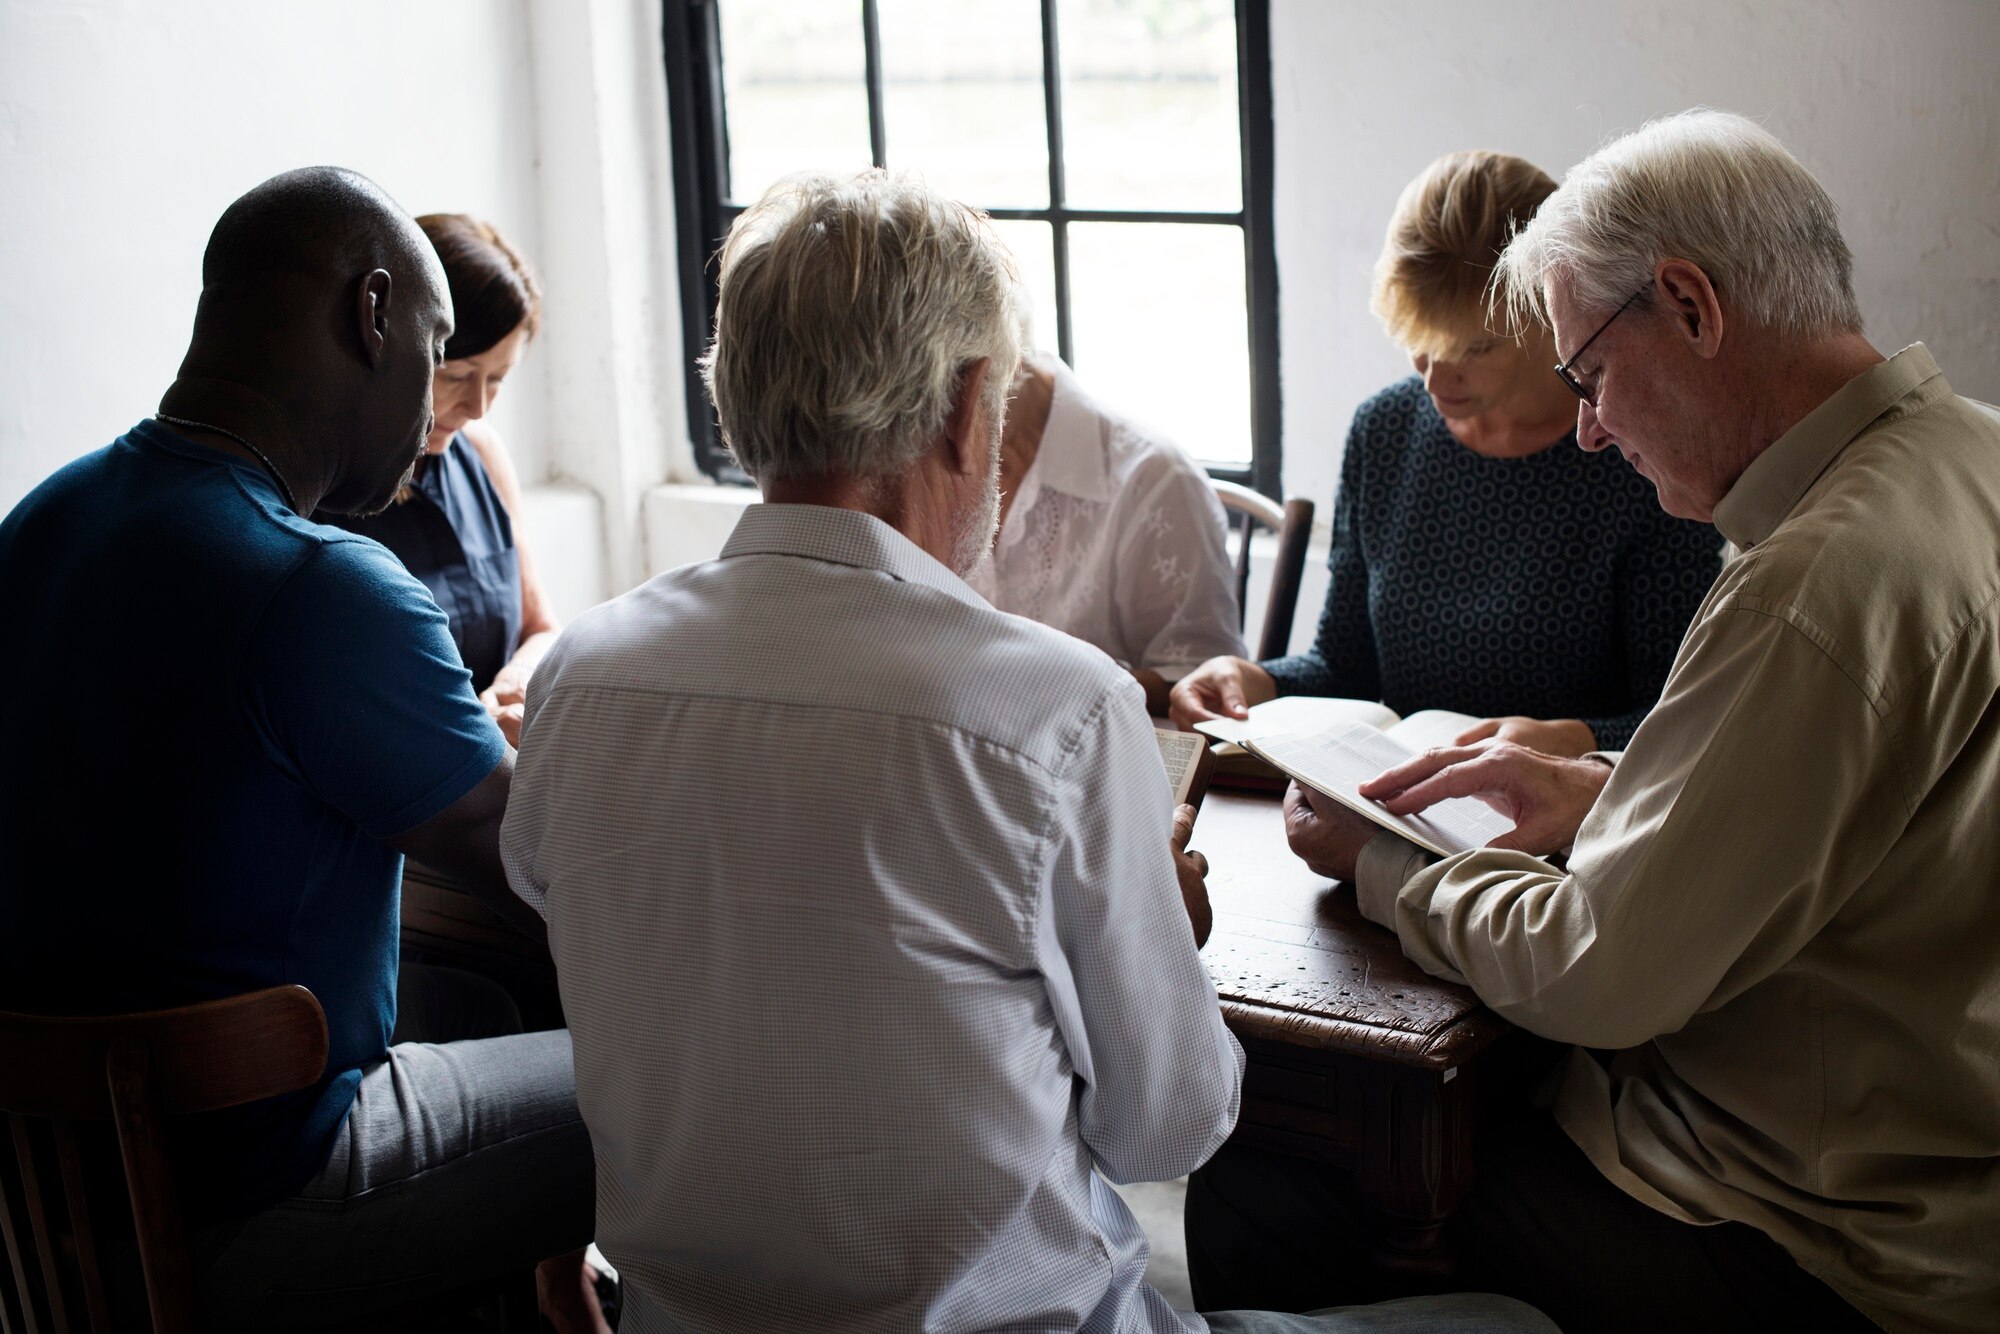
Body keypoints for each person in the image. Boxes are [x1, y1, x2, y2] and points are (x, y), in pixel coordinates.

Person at [500, 169, 1550, 1334]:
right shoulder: (1051, 712)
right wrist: (1163, 927)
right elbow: (1169, 1128)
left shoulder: (576, 678)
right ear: (966, 410)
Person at [1191, 110, 2000, 1334]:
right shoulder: (1965, 456)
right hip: (1934, 1154)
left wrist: (1386, 867)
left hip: (1790, 1222)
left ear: (1689, 305)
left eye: (1589, 374)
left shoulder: (1807, 580)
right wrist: (1614, 782)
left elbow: (1595, 974)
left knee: (1266, 1166)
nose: (1587, 426)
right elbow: (1849, 801)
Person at [0, 168, 605, 1332]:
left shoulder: (42, 521)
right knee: (677, 1082)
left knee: (468, 1002)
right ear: (371, 315)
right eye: (436, 355)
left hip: (45, 1193)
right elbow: (541, 854)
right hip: (252, 1190)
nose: (438, 410)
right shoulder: (313, 581)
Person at [1171, 150, 1718, 755]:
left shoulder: (1635, 448)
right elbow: (1345, 665)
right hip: (1392, 811)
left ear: (1551, 309)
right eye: (1419, 344)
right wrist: (1260, 679)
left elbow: (1687, 717)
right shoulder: (1386, 431)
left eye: (1473, 350)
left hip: (1572, 826)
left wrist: (1573, 739)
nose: (1434, 381)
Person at [323, 213, 557, 745]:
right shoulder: (318, 487)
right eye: (456, 376)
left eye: (497, 379)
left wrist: (516, 682)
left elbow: (540, 627)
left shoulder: (481, 451)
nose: (477, 406)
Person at [967, 311, 1245, 714]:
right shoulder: (919, 462)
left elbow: (1202, 681)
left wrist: (1049, 685)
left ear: (984, 372)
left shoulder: (1152, 478)